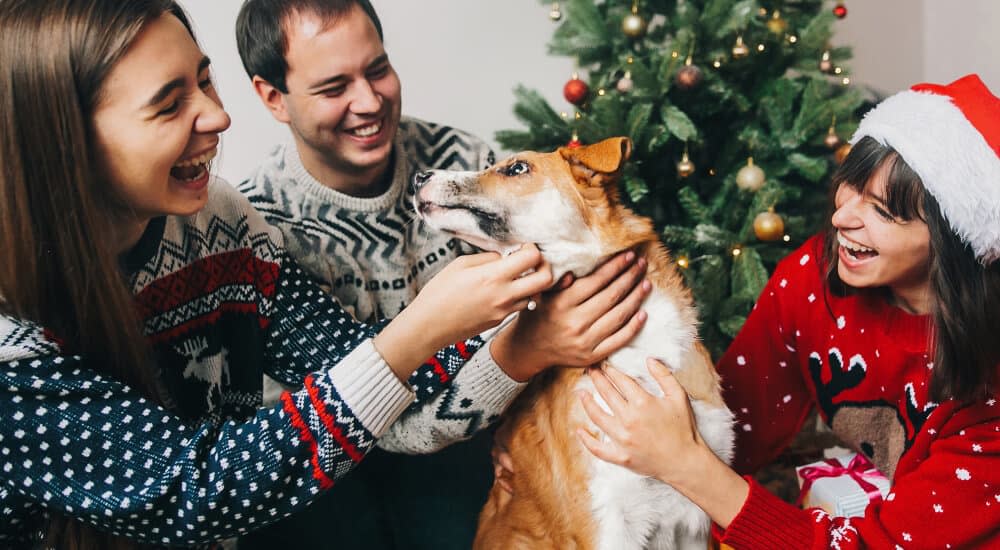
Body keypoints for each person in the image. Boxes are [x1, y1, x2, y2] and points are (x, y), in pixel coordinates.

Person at [0, 0, 583, 547]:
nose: (219, 116)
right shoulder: (10, 342)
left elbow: (378, 380)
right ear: (64, 142)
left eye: (204, 80)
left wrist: (520, 333)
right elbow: (194, 490)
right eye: (168, 103)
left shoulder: (223, 223)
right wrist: (426, 327)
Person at [232, 1, 651, 548]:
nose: (369, 101)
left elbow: (549, 313)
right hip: (325, 467)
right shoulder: (262, 227)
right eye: (334, 87)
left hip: (456, 438)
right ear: (273, 97)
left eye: (377, 69)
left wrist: (522, 425)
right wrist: (525, 351)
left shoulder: (462, 161)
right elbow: (387, 421)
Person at [573, 74, 1000, 548]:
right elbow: (735, 420)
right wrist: (574, 460)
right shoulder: (815, 278)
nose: (843, 217)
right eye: (850, 187)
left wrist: (685, 464)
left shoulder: (990, 391)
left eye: (882, 211)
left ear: (952, 241)